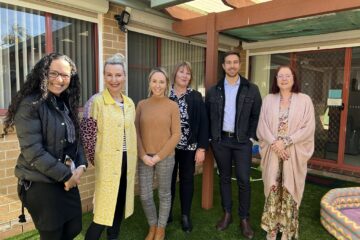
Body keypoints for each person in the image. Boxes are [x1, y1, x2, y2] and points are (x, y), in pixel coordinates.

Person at [3, 53, 87, 240]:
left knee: (74, 227)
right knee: (52, 235)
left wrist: (81, 166)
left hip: (67, 178)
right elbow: (33, 151)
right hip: (41, 183)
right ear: (42, 73)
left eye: (65, 75)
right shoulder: (30, 104)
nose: (59, 80)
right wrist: (67, 176)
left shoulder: (65, 102)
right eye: (53, 73)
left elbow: (76, 140)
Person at [205, 51, 262, 239]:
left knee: (244, 180)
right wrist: (213, 138)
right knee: (224, 178)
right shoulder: (214, 90)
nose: (232, 65)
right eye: (228, 62)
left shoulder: (251, 89)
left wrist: (251, 138)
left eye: (235, 62)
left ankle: (244, 219)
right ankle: (227, 214)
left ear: (239, 65)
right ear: (223, 66)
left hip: (242, 142)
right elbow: (209, 116)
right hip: (221, 141)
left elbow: (256, 115)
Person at [81, 53, 137, 240]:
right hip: (107, 165)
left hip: (126, 163)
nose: (114, 79)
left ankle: (113, 237)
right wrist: (97, 160)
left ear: (124, 77)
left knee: (119, 206)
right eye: (109, 75)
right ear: (104, 76)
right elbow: (87, 138)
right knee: (103, 213)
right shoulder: (96, 102)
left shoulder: (129, 103)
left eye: (118, 75)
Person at [256, 65, 315, 240]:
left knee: (289, 191)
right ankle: (272, 229)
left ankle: (287, 231)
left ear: (294, 78)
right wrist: (275, 143)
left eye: (287, 75)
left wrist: (286, 142)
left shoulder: (304, 100)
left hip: (293, 153)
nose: (283, 79)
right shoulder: (268, 99)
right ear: (276, 80)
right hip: (273, 152)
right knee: (274, 189)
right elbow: (262, 125)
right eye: (280, 76)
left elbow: (308, 127)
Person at [135, 67, 181, 240]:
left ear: (166, 84)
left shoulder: (172, 106)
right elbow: (136, 132)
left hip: (165, 157)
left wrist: (158, 156)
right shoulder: (141, 105)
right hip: (144, 157)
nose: (158, 85)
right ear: (150, 83)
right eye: (155, 81)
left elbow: (176, 134)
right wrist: (143, 155)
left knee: (164, 194)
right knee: (145, 195)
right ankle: (152, 225)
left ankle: (161, 229)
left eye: (162, 82)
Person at [168, 61, 209, 232]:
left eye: (188, 73)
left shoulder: (195, 96)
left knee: (187, 181)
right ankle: (167, 212)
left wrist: (201, 148)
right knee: (167, 181)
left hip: (189, 147)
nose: (185, 75)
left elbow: (203, 123)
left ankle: (185, 215)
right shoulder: (165, 94)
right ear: (175, 74)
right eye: (181, 72)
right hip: (167, 147)